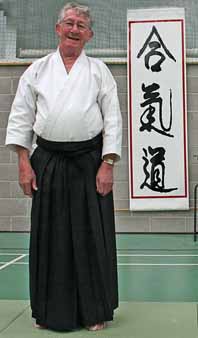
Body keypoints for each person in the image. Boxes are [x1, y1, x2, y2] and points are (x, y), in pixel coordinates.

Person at [5, 2, 122, 332]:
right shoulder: (38, 70)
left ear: (90, 35)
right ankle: (48, 311)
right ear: (57, 28)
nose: (74, 29)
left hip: (89, 163)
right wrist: (24, 165)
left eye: (81, 25)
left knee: (91, 238)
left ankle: (94, 310)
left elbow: (112, 120)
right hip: (49, 162)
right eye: (69, 23)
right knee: (50, 238)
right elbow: (21, 119)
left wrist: (108, 163)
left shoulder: (99, 71)